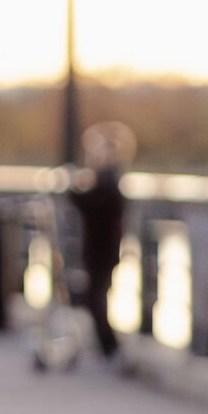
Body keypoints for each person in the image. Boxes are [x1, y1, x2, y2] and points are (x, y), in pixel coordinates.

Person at [69, 123, 132, 360]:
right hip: (101, 248)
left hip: (102, 249)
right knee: (96, 296)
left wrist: (73, 189)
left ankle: (110, 347)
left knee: (97, 297)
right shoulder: (109, 178)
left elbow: (89, 205)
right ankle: (108, 346)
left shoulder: (108, 180)